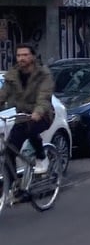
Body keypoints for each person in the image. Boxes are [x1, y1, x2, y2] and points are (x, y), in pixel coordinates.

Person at [0, 44, 54, 174]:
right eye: (18, 55)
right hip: (22, 116)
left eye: (25, 55)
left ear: (33, 57)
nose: (21, 58)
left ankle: (41, 157)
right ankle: (14, 187)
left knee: (30, 128)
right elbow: (2, 95)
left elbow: (44, 96)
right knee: (10, 151)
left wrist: (38, 112)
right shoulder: (12, 75)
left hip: (43, 114)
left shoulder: (43, 74)